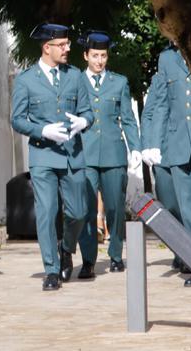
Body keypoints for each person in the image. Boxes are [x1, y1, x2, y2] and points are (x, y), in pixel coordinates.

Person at [10, 23, 93, 291]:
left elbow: (88, 112)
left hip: (72, 154)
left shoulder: (76, 76)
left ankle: (66, 248)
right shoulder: (25, 80)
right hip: (43, 155)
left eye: (67, 44)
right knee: (46, 212)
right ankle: (51, 270)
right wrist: (42, 130)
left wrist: (84, 121)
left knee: (78, 212)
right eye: (63, 45)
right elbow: (17, 119)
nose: (68, 48)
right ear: (47, 48)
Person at [142, 43, 191, 287]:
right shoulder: (166, 58)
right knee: (189, 211)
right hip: (178, 143)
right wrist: (153, 143)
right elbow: (161, 102)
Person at [74, 31, 142, 278]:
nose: (100, 61)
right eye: (95, 56)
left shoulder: (119, 82)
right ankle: (88, 260)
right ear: (85, 56)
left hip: (114, 153)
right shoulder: (76, 81)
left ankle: (115, 255)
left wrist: (135, 148)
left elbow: (128, 119)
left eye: (103, 56)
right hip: (86, 154)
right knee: (87, 209)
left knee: (114, 207)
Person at [140, 70, 185, 272]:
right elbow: (149, 113)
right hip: (163, 152)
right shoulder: (160, 77)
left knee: (187, 206)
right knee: (169, 205)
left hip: (185, 149)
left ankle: (189, 254)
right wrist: (148, 145)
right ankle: (179, 251)